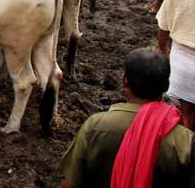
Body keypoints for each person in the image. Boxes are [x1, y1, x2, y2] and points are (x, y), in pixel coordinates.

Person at [59, 49, 194, 187]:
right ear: (166, 85)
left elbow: (69, 183)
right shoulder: (184, 141)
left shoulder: (94, 126)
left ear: (124, 81)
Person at [156, 0, 195, 130]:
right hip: (182, 59)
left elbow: (163, 30)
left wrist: (165, 52)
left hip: (181, 62)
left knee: (182, 114)